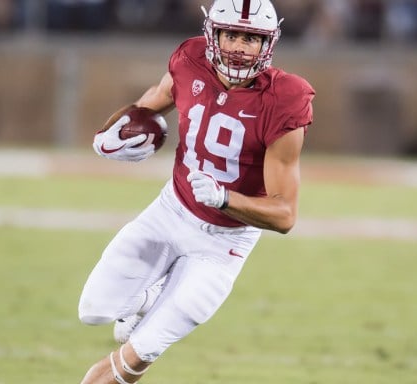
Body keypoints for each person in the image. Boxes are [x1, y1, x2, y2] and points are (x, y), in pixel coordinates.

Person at [77, 0, 315, 383]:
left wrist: (225, 198)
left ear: (268, 44)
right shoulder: (190, 59)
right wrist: (111, 134)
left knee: (137, 354)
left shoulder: (284, 99)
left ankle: (156, 309)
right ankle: (151, 298)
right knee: (93, 310)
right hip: (169, 211)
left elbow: (285, 215)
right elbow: (147, 106)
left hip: (223, 244)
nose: (239, 47)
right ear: (213, 34)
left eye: (251, 38)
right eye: (232, 34)